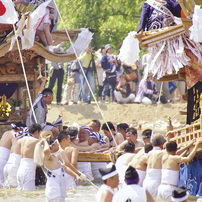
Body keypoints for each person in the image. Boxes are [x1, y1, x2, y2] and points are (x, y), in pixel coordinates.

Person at [38, 137, 83, 202]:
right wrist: (45, 142)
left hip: (60, 189)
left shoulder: (55, 157)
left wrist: (76, 175)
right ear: (52, 146)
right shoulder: (48, 158)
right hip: (53, 190)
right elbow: (46, 150)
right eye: (56, 143)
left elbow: (65, 168)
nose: (58, 144)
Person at [17, 123, 42, 190]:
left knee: (21, 194)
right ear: (36, 132)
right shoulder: (36, 141)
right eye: (40, 133)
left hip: (20, 169)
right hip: (28, 171)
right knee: (29, 194)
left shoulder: (23, 139)